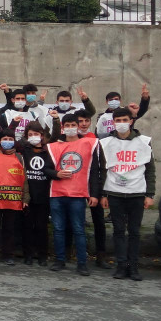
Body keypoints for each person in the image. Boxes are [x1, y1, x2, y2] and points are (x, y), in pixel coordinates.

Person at [99, 107, 156, 281]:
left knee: (134, 232)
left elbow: (150, 169)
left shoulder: (144, 142)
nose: (122, 123)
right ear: (113, 122)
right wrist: (103, 194)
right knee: (118, 231)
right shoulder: (106, 142)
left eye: (125, 120)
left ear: (131, 121)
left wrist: (150, 194)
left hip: (136, 193)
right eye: (118, 120)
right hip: (114, 193)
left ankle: (134, 267)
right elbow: (102, 170)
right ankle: (121, 266)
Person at [46, 114, 101, 276]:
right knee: (58, 229)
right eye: (67, 125)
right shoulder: (53, 146)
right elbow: (46, 169)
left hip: (78, 194)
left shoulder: (89, 144)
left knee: (79, 229)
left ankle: (82, 264)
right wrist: (57, 174)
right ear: (63, 128)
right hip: (57, 194)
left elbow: (94, 171)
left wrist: (94, 194)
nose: (70, 128)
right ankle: (60, 260)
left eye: (73, 125)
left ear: (78, 126)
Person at [0, 130, 30, 265]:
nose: (7, 141)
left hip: (13, 199)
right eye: (5, 139)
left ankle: (8, 255)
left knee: (10, 228)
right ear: (0, 141)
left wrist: (25, 198)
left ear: (14, 141)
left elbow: (24, 179)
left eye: (10, 139)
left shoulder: (19, 157)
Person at [17, 120, 59, 267]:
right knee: (27, 226)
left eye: (36, 134)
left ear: (42, 135)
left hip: (44, 194)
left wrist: (56, 121)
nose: (33, 137)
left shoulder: (49, 151)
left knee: (42, 227)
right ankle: (28, 254)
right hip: (28, 195)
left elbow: (55, 136)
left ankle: (42, 255)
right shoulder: (25, 150)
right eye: (30, 134)